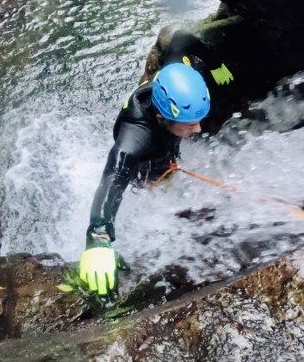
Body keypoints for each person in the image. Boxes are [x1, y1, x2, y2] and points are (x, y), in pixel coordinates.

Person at [79, 62, 213, 297]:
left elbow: (185, 43)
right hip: (148, 164)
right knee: (155, 184)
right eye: (191, 124)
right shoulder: (135, 139)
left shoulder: (172, 87)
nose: (199, 129)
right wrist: (98, 237)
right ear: (163, 118)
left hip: (165, 139)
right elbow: (113, 178)